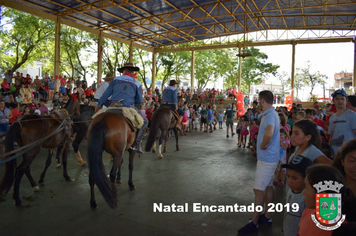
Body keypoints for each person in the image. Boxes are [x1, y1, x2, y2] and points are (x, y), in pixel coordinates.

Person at [237, 90, 280, 235]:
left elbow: (269, 132)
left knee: (258, 190)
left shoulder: (269, 116)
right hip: (270, 157)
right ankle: (267, 216)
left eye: (259, 101)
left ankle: (254, 222)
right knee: (267, 187)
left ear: (262, 100)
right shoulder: (272, 114)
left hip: (267, 159)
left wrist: (261, 145)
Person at [96, 63, 148, 154]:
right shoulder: (137, 83)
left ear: (124, 71)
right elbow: (139, 100)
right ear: (132, 72)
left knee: (96, 118)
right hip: (128, 108)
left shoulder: (115, 79)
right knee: (145, 122)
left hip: (113, 106)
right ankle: (136, 144)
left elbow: (106, 94)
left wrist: (99, 105)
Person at [299, 164, 356, 236]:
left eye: (306, 187)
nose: (303, 192)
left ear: (321, 194)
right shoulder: (308, 211)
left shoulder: (338, 230)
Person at [282, 155, 313, 236]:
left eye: (294, 178)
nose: (289, 181)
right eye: (288, 176)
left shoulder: (307, 198)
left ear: (306, 178)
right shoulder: (290, 190)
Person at [328, 89, 356, 155]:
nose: (340, 101)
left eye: (342, 99)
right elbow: (331, 136)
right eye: (337, 99)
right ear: (333, 101)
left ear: (346, 101)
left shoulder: (352, 115)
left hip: (349, 152)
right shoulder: (332, 117)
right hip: (335, 153)